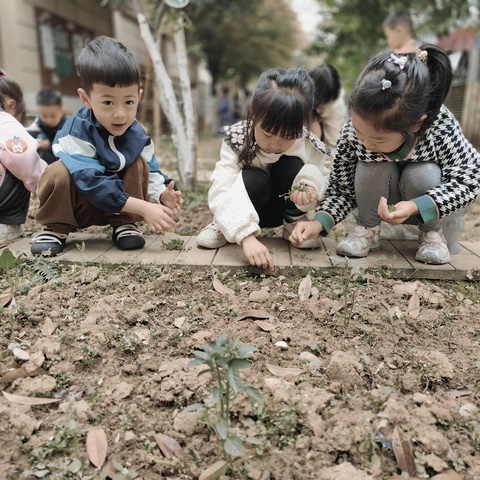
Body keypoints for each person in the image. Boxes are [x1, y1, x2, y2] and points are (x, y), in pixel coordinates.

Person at [289, 44, 480, 265]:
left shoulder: (441, 128)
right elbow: (341, 188)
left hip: (427, 205)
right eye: (360, 132)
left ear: (416, 124)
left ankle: (431, 235)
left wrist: (419, 205)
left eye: (378, 140)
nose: (366, 143)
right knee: (370, 165)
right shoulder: (353, 133)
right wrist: (319, 223)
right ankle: (368, 230)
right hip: (375, 202)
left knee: (423, 173)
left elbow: (470, 179)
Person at [30, 36, 183, 256]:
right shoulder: (75, 132)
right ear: (86, 99)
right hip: (79, 206)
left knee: (138, 163)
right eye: (108, 102)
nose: (120, 113)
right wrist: (143, 207)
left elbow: (152, 170)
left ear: (138, 97)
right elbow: (91, 181)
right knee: (58, 171)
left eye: (128, 102)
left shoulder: (137, 133)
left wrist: (161, 195)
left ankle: (124, 224)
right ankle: (56, 227)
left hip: (117, 208)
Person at [196, 67, 330, 270]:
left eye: (287, 137)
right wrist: (246, 237)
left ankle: (293, 223)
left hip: (280, 209)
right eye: (268, 133)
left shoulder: (308, 143)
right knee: (253, 177)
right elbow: (221, 187)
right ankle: (225, 226)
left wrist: (311, 188)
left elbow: (323, 176)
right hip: (244, 206)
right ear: (253, 113)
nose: (275, 145)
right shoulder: (237, 139)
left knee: (292, 165)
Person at [0, 69, 47, 246]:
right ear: (10, 105)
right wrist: (42, 184)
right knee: (24, 163)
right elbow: (24, 158)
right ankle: (9, 226)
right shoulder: (4, 119)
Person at [309, 64, 346, 158]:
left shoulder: (336, 106)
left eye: (322, 106)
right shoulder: (301, 98)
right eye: (316, 104)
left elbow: (333, 144)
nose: (318, 110)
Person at [27, 87, 68, 165]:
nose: (49, 120)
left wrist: (49, 146)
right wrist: (37, 144)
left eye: (53, 116)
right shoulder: (36, 128)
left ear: (61, 110)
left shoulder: (70, 126)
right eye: (44, 116)